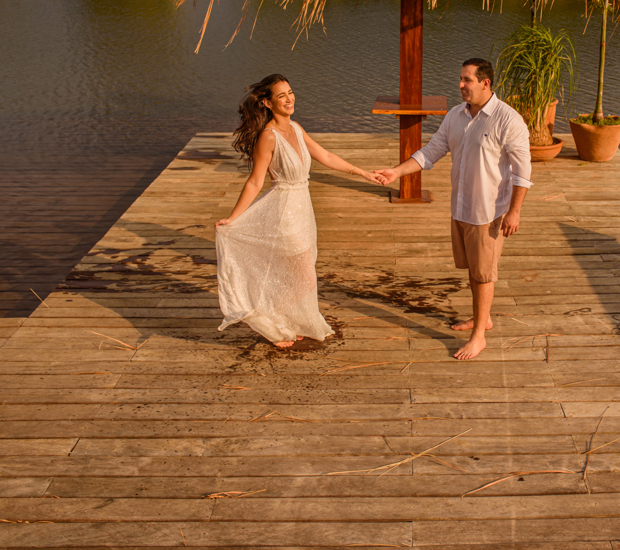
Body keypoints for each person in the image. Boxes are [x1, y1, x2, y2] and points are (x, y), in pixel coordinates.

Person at [376, 58, 531, 360]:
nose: (460, 85)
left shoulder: (507, 119)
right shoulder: (455, 116)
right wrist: (396, 172)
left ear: (485, 83)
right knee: (474, 269)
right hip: (461, 209)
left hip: (488, 213)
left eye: (467, 80)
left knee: (484, 274)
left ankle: (479, 337)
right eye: (461, 79)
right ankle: (483, 318)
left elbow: (522, 172)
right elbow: (432, 151)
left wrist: (514, 212)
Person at [215, 74, 382, 348]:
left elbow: (325, 156)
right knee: (303, 274)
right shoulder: (268, 137)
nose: (289, 99)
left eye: (290, 92)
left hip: (304, 209)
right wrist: (233, 218)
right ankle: (275, 324)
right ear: (267, 103)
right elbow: (255, 181)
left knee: (299, 273)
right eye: (281, 96)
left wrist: (363, 173)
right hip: (284, 212)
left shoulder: (296, 128)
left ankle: (289, 321)